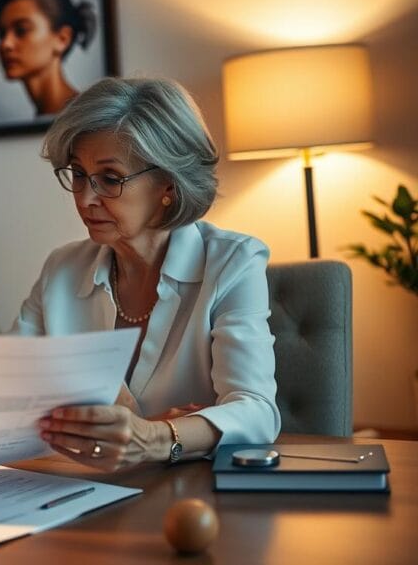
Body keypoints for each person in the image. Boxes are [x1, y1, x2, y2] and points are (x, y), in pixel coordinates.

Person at [15, 77, 280, 471]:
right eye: (77, 174)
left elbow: (256, 412)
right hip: (82, 491)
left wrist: (155, 437)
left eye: (109, 179)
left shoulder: (233, 262)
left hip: (196, 502)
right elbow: (9, 390)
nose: (86, 198)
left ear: (167, 185)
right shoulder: (62, 269)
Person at [0, 0, 96, 117]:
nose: (5, 44)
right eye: (1, 34)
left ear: (62, 39)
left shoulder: (87, 116)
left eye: (21, 30)